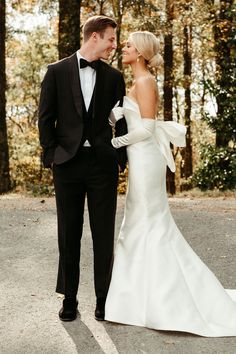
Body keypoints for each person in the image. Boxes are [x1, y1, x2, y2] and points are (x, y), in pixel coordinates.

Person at [105, 31, 236, 337]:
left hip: (146, 158)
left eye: (127, 46)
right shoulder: (135, 83)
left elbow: (148, 128)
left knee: (150, 222)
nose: (122, 48)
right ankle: (135, 298)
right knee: (136, 221)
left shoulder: (147, 81)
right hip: (138, 158)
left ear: (140, 53)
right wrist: (114, 117)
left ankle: (164, 299)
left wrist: (114, 143)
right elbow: (131, 117)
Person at [38, 15, 127, 322]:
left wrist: (121, 157)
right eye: (111, 39)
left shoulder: (115, 77)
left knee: (103, 234)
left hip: (102, 165)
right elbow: (45, 117)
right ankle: (70, 299)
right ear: (94, 38)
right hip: (67, 163)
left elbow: (122, 120)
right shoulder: (56, 71)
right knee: (68, 233)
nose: (114, 44)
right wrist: (51, 155)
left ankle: (104, 299)